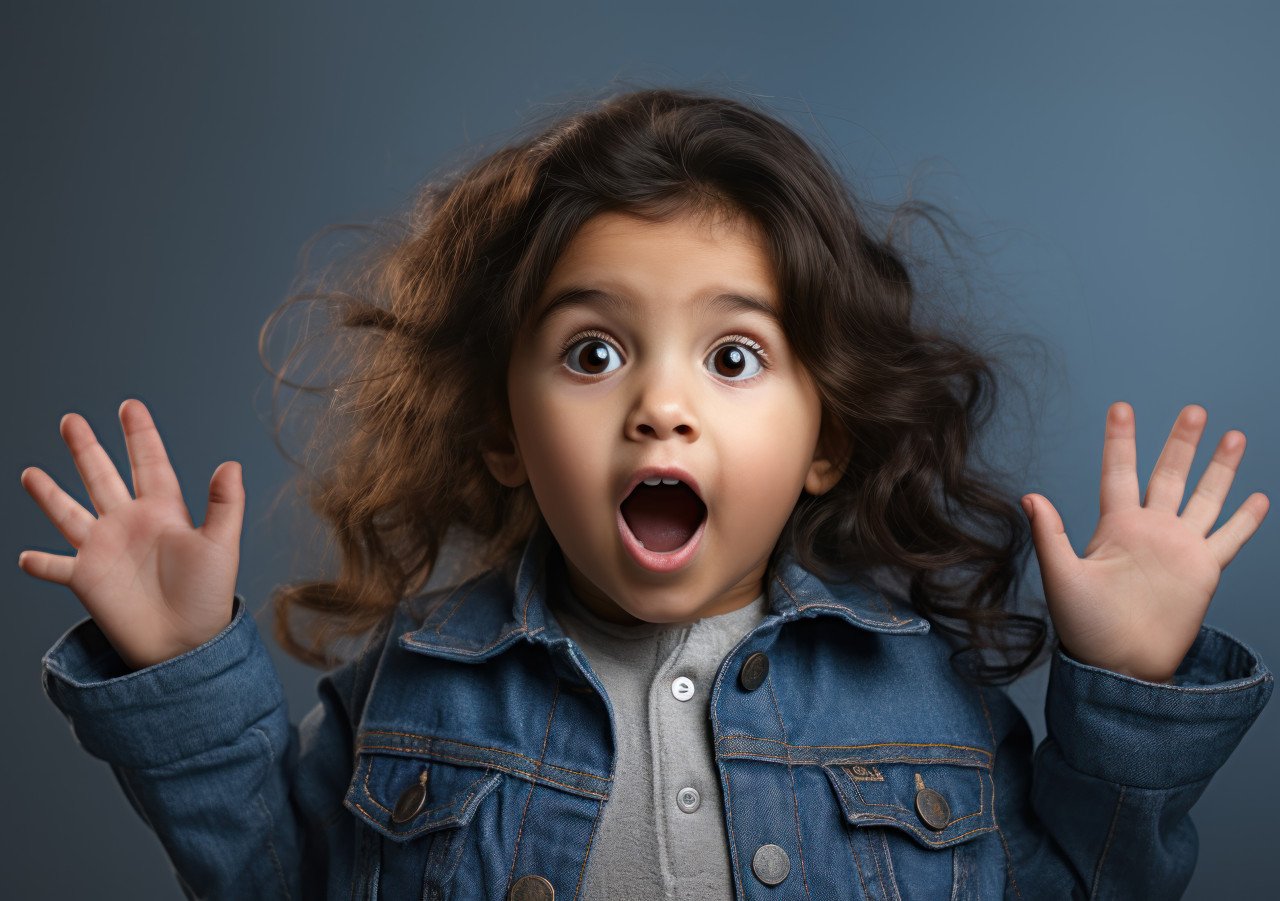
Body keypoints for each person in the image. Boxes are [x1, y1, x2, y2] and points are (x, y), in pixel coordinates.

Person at [23, 87, 1272, 900]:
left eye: (731, 358)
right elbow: (272, 882)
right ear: (506, 432)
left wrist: (1133, 693)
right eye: (591, 352)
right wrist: (181, 664)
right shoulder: (414, 683)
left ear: (824, 438)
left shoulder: (923, 696)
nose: (657, 407)